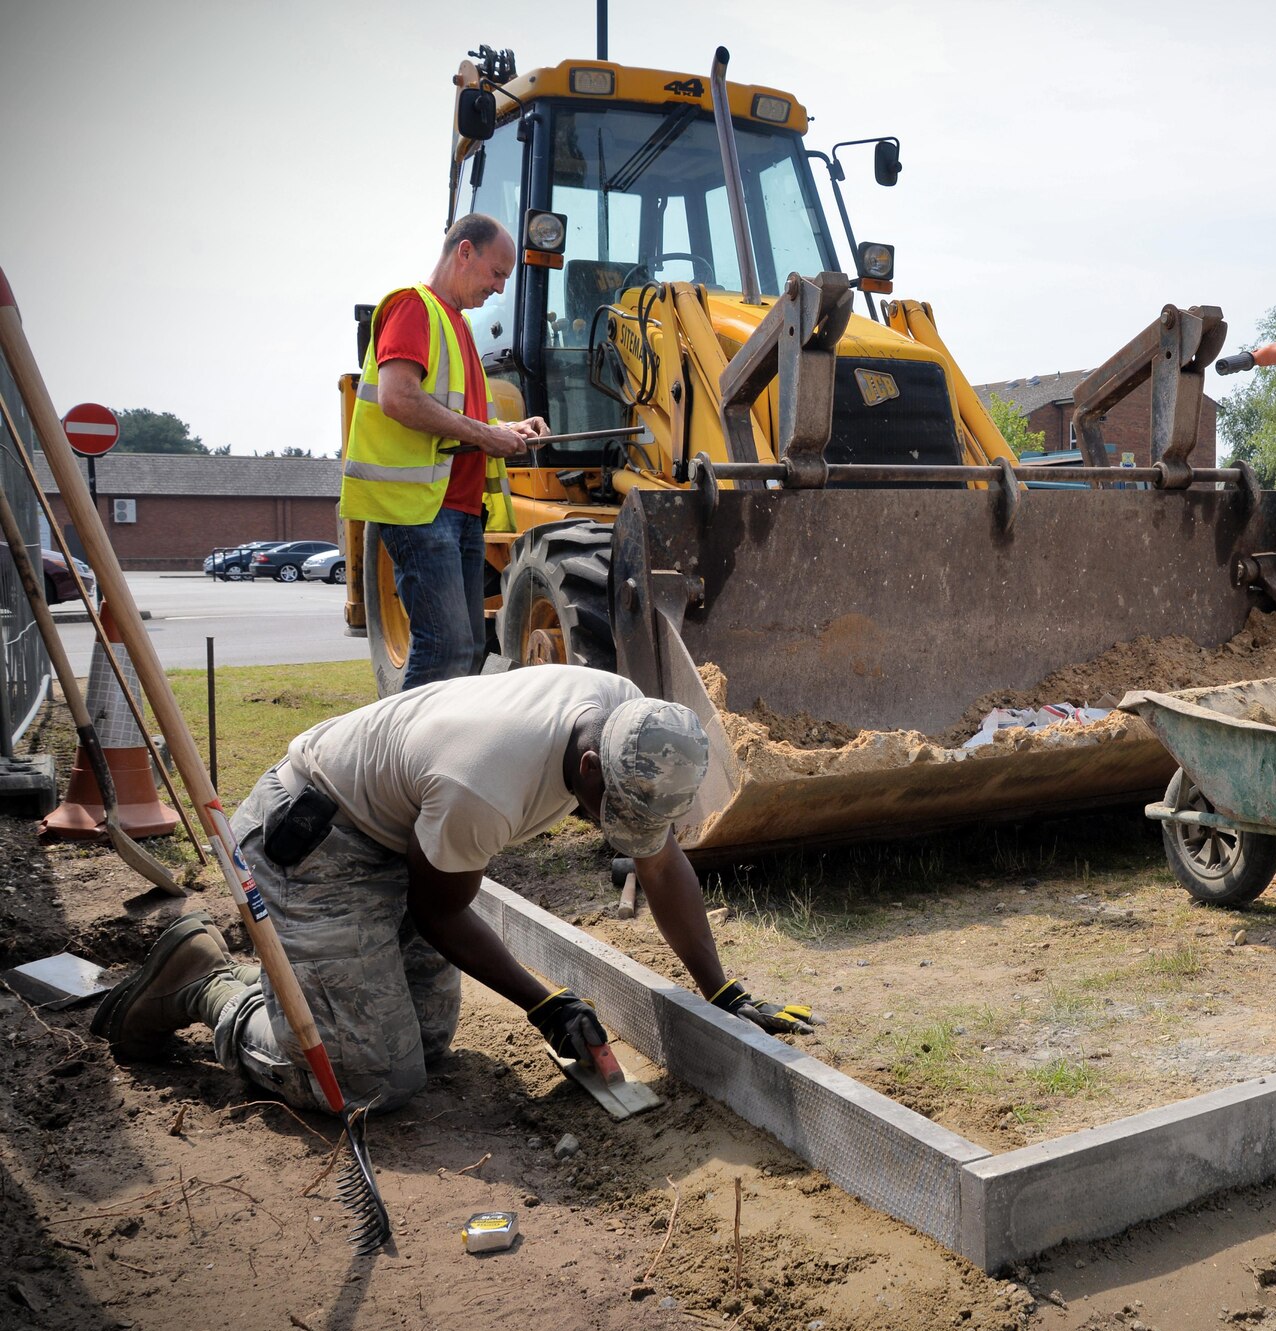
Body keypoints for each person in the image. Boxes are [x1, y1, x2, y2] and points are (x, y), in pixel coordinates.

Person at [91, 665, 814, 1114]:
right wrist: (544, 1000)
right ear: (590, 767)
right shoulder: (486, 785)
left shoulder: (629, 721)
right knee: (372, 1079)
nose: (616, 831)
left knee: (429, 1042)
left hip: (403, 837)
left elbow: (659, 863)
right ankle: (208, 984)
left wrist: (722, 994)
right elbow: (437, 910)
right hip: (313, 845)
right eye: (611, 813)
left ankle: (301, 982)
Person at [341, 213, 549, 689]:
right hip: (420, 510)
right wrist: (484, 434)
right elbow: (398, 397)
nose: (499, 289)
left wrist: (505, 429)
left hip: (455, 509)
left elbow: (460, 418)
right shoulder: (415, 308)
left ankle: (428, 754)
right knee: (446, 647)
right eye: (497, 273)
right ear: (465, 252)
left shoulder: (456, 326)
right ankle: (400, 759)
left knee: (467, 649)